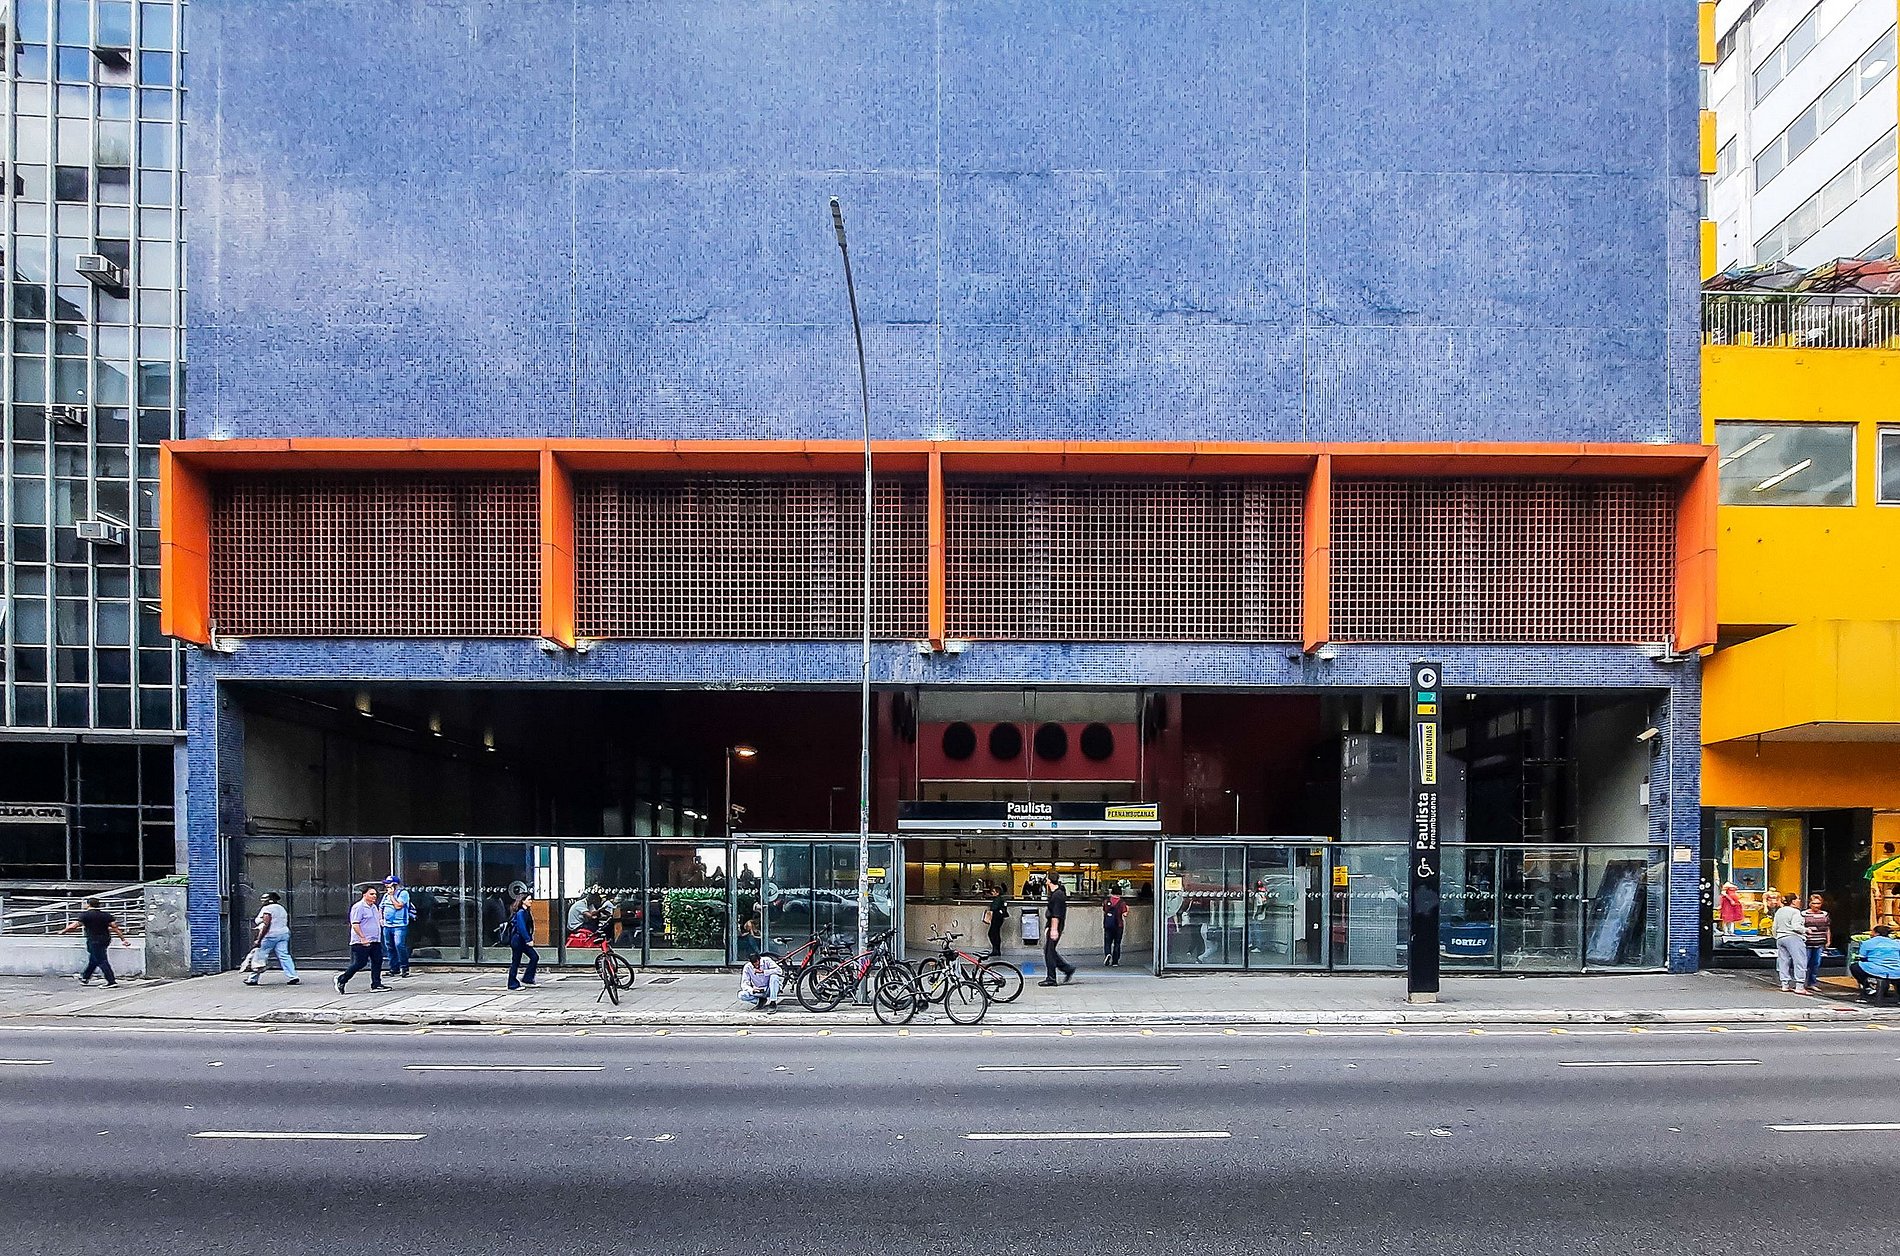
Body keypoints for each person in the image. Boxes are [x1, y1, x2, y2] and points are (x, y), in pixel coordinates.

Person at [61, 897, 128, 987]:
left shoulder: (85, 915)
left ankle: (111, 981)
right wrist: (123, 939)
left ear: (88, 904)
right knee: (94, 958)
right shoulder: (106, 915)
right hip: (105, 939)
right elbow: (115, 927)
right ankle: (85, 977)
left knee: (101, 960)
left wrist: (63, 931)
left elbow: (74, 926)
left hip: (93, 939)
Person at [335, 886, 388, 994]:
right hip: (361, 942)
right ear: (364, 895)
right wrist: (362, 938)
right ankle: (342, 979)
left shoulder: (374, 907)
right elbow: (355, 924)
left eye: (375, 894)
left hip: (375, 940)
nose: (374, 896)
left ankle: (376, 984)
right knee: (360, 963)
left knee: (377, 961)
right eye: (371, 894)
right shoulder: (358, 907)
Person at [245, 891, 299, 986]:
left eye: (264, 899)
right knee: (284, 955)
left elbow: (266, 924)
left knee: (259, 956)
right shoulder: (281, 908)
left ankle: (252, 979)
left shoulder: (267, 909)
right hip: (283, 934)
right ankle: (293, 976)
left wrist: (259, 939)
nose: (262, 901)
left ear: (270, 900)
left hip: (270, 935)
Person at [1037, 871, 1076, 987]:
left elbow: (1056, 914)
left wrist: (1053, 929)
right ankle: (1067, 969)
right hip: (1053, 925)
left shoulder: (1057, 895)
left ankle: (1051, 978)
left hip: (1055, 925)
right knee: (1049, 950)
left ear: (1049, 880)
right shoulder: (1056, 894)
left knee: (1049, 952)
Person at [1771, 891, 1808, 993]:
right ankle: (1799, 986)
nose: (1799, 901)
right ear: (1793, 901)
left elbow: (1774, 926)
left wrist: (1776, 936)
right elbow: (1796, 927)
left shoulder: (1779, 911)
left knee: (1783, 961)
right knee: (1799, 960)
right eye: (1797, 899)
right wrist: (1806, 930)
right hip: (1793, 937)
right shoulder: (1795, 912)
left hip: (1780, 937)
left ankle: (1785, 984)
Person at [1850, 924, 1900, 999]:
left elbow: (1862, 957)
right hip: (1896, 971)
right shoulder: (1896, 943)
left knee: (1854, 967)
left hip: (1875, 970)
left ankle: (1868, 987)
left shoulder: (1867, 943)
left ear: (1876, 933)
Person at [380, 875, 414, 978]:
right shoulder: (385, 896)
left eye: (388, 884)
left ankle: (404, 967)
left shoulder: (403, 894)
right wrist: (381, 919)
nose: (386, 886)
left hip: (399, 925)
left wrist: (391, 896)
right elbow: (381, 907)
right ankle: (394, 968)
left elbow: (398, 906)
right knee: (389, 946)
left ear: (395, 885)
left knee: (399, 945)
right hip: (387, 925)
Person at [506, 892, 539, 991]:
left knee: (534, 957)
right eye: (529, 899)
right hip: (518, 940)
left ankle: (528, 979)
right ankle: (512, 984)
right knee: (516, 961)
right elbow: (521, 927)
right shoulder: (520, 912)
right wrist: (528, 939)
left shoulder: (526, 911)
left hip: (522, 940)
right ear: (523, 901)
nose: (531, 901)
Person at [1801, 893, 1832, 993]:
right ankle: (1802, 983)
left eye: (1818, 903)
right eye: (1814, 903)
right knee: (1805, 963)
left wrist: (1828, 940)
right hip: (1807, 942)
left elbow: (1827, 928)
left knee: (1816, 963)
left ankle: (1812, 983)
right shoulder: (1804, 914)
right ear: (1810, 904)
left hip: (1819, 942)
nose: (1816, 905)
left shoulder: (1824, 914)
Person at [1102, 890, 1129, 966]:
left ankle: (1108, 954)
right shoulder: (1122, 903)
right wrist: (1127, 909)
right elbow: (1125, 914)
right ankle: (1115, 961)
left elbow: (1104, 911)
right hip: (1118, 925)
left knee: (1107, 942)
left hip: (1108, 925)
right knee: (1117, 943)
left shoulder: (1106, 901)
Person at [984, 881, 1009, 958]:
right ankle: (997, 950)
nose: (992, 893)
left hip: (996, 917)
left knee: (992, 933)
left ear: (997, 893)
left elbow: (993, 908)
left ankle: (995, 950)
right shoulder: (1001, 899)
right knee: (996, 933)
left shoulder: (997, 900)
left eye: (993, 891)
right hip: (999, 918)